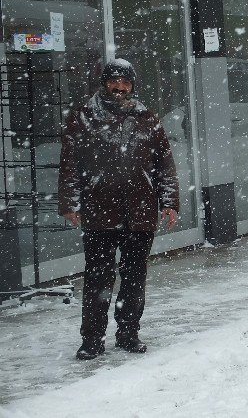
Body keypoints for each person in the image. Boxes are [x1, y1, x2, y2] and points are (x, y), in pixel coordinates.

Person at [58, 58, 179, 360]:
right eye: (114, 81)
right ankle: (92, 340)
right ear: (104, 84)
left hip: (140, 214)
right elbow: (70, 164)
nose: (119, 87)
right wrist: (71, 203)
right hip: (99, 213)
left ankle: (128, 333)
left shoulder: (147, 119)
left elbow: (164, 164)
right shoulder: (83, 118)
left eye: (125, 83)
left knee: (134, 279)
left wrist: (169, 202)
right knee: (98, 279)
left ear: (133, 86)